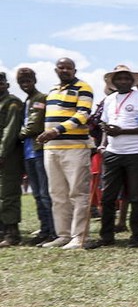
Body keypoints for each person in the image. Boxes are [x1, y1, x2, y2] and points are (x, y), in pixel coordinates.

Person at [87, 64, 138, 248]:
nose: (123, 81)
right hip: (113, 152)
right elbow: (105, 125)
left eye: (126, 78)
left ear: (132, 81)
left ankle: (137, 237)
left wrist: (123, 131)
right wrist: (103, 144)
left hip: (137, 152)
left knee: (136, 197)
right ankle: (106, 237)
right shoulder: (109, 100)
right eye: (119, 78)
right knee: (108, 198)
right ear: (113, 81)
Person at [36, 58, 95, 250]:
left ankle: (79, 237)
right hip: (52, 149)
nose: (65, 70)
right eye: (61, 67)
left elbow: (83, 114)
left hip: (75, 147)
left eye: (69, 68)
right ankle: (63, 235)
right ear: (56, 70)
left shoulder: (83, 87)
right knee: (57, 193)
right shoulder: (52, 90)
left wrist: (56, 130)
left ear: (74, 70)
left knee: (77, 193)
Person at [15, 68, 55, 245]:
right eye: (22, 82)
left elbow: (33, 126)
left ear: (35, 80)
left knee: (45, 194)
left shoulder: (40, 99)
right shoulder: (27, 101)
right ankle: (44, 229)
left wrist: (17, 134)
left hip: (39, 151)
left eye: (28, 80)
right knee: (37, 195)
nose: (25, 84)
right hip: (27, 153)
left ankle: (53, 231)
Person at [0, 72, 23, 247]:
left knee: (8, 194)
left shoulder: (12, 103)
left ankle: (11, 233)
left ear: (6, 85)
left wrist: (1, 153)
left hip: (8, 155)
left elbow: (10, 131)